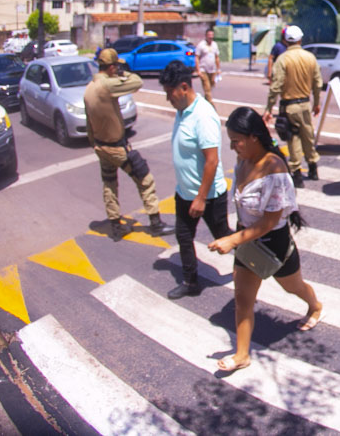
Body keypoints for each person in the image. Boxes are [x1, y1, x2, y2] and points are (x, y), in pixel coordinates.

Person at [208, 107, 323, 372]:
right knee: (243, 299)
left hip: (274, 244)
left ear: (253, 137)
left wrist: (232, 240)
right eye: (231, 141)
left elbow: (270, 222)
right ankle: (241, 355)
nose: (234, 146)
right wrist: (236, 237)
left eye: (237, 140)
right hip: (246, 241)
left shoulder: (275, 169)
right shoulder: (242, 161)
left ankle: (315, 306)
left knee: (293, 287)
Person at [160, 60, 232, 299]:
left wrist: (201, 198)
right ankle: (191, 283)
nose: (167, 98)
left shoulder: (202, 115)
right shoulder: (182, 111)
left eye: (169, 93)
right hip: (185, 193)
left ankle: (256, 262)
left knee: (225, 238)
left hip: (208, 197)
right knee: (183, 236)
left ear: (183, 87)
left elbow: (211, 160)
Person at [83, 48, 171, 241]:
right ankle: (155, 223)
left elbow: (89, 122)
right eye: (117, 66)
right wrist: (123, 72)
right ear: (112, 66)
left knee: (109, 184)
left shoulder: (89, 88)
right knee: (145, 180)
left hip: (100, 146)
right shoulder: (107, 85)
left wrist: (94, 144)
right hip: (116, 147)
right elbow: (137, 82)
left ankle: (115, 225)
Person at [265, 25, 323, 188]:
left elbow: (275, 86)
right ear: (300, 39)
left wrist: (269, 108)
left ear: (285, 40)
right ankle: (313, 168)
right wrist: (316, 103)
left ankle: (296, 173)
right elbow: (317, 83)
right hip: (305, 103)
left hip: (289, 105)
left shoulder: (282, 59)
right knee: (308, 135)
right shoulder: (310, 57)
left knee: (293, 138)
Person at [194, 28, 221, 106]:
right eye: (209, 35)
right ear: (206, 36)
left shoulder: (214, 44)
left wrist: (218, 69)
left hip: (212, 70)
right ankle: (211, 105)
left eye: (212, 35)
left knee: (211, 86)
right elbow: (196, 57)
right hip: (203, 70)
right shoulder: (201, 45)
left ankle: (205, 103)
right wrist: (198, 70)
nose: (211, 37)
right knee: (207, 88)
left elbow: (217, 57)